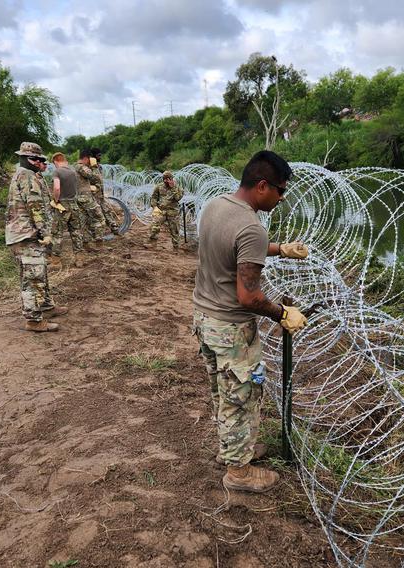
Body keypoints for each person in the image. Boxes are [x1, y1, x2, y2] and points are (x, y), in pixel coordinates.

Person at [192, 150, 310, 493]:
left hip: (204, 316)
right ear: (262, 186)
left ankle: (233, 450)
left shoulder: (216, 206)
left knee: (222, 392)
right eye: (280, 190)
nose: (281, 197)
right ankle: (238, 472)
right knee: (240, 396)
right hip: (230, 327)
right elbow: (249, 297)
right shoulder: (251, 227)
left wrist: (280, 248)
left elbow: (234, 246)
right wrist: (283, 313)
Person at [5, 142, 68, 332]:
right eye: (39, 160)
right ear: (30, 159)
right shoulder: (27, 177)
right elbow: (35, 208)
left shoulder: (28, 175)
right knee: (33, 278)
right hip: (26, 235)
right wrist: (45, 233)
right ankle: (33, 320)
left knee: (40, 272)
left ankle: (46, 306)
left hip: (27, 234)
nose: (42, 163)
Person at [50, 152, 85, 268]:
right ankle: (79, 259)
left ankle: (56, 262)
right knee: (76, 233)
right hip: (74, 205)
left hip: (62, 206)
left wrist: (55, 200)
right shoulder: (73, 172)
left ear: (55, 161)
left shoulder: (57, 172)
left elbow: (57, 187)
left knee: (57, 233)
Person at [74, 149, 108, 248]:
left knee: (83, 221)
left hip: (79, 197)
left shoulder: (75, 167)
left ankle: (85, 244)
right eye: (89, 159)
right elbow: (96, 177)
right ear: (85, 158)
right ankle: (99, 242)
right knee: (99, 218)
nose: (90, 161)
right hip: (85, 198)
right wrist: (94, 167)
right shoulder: (81, 167)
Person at [146, 170, 183, 250]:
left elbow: (177, 198)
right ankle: (152, 244)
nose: (166, 180)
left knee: (175, 231)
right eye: (164, 179)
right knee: (154, 226)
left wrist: (173, 187)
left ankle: (176, 248)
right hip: (161, 211)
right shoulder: (159, 187)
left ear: (171, 179)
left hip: (173, 212)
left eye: (168, 179)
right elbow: (154, 197)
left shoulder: (178, 188)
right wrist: (154, 206)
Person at [90, 148, 122, 236]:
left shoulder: (99, 167)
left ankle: (114, 229)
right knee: (95, 215)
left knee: (107, 211)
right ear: (93, 156)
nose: (100, 157)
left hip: (100, 195)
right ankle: (94, 234)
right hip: (92, 196)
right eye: (98, 155)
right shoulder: (88, 167)